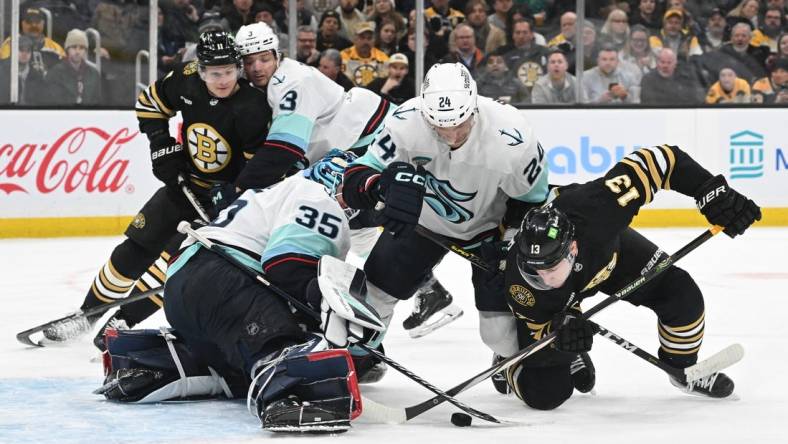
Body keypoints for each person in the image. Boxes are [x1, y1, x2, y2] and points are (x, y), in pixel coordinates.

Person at [99, 151, 380, 433]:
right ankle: (286, 398)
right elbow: (287, 268)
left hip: (184, 287)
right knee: (288, 344)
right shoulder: (319, 198)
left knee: (235, 366)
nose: (355, 205)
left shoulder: (275, 191)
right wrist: (332, 321)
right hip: (226, 283)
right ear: (332, 180)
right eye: (349, 189)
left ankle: (158, 365)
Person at [235, 22, 458, 359]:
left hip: (368, 140)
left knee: (339, 216)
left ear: (276, 55)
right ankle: (426, 287)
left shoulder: (289, 82)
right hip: (355, 141)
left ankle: (412, 289)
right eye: (249, 61)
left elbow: (285, 149)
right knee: (355, 223)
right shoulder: (277, 82)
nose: (256, 68)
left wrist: (240, 189)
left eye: (263, 58)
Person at [42, 31, 273, 345]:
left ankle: (120, 322)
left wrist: (234, 193)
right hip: (182, 186)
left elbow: (257, 168)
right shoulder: (186, 78)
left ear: (239, 69)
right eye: (216, 73)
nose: (223, 80)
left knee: (170, 265)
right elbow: (149, 105)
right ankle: (87, 315)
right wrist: (162, 147)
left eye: (230, 72)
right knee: (130, 252)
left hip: (219, 206)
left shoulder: (253, 107)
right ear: (202, 70)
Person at [340, 63, 550, 393]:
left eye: (460, 125)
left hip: (489, 231)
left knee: (499, 334)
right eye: (439, 127)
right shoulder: (406, 121)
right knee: (374, 292)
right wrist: (381, 188)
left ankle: (509, 356)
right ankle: (362, 355)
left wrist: (511, 241)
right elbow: (355, 176)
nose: (451, 136)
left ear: (475, 107)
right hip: (424, 224)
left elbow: (534, 203)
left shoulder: (513, 137)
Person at [502, 144, 761, 410]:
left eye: (550, 268)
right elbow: (537, 329)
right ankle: (509, 362)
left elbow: (661, 160)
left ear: (572, 249)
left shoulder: (598, 208)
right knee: (546, 394)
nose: (542, 278)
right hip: (554, 302)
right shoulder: (522, 282)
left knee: (681, 295)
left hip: (608, 253)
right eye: (535, 271)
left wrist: (708, 190)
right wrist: (560, 335)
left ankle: (684, 370)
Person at [45, 29, 102, 105]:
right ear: (67, 49)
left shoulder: (94, 74)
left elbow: (97, 102)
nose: (77, 52)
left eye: (81, 48)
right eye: (74, 47)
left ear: (85, 51)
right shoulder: (55, 73)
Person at [640, 48, 704, 105]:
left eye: (669, 63)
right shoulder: (648, 80)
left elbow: (696, 98)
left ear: (675, 64)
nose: (665, 66)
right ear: (657, 63)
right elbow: (649, 102)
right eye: (662, 62)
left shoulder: (685, 78)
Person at [0, 34, 46, 104]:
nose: (24, 54)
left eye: (28, 51)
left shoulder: (37, 76)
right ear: (13, 51)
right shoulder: (1, 71)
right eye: (21, 49)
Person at [340, 21, 390, 86]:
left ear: (374, 40)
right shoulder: (343, 56)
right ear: (354, 39)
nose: (366, 42)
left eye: (369, 38)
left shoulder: (383, 57)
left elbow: (384, 82)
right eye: (362, 38)